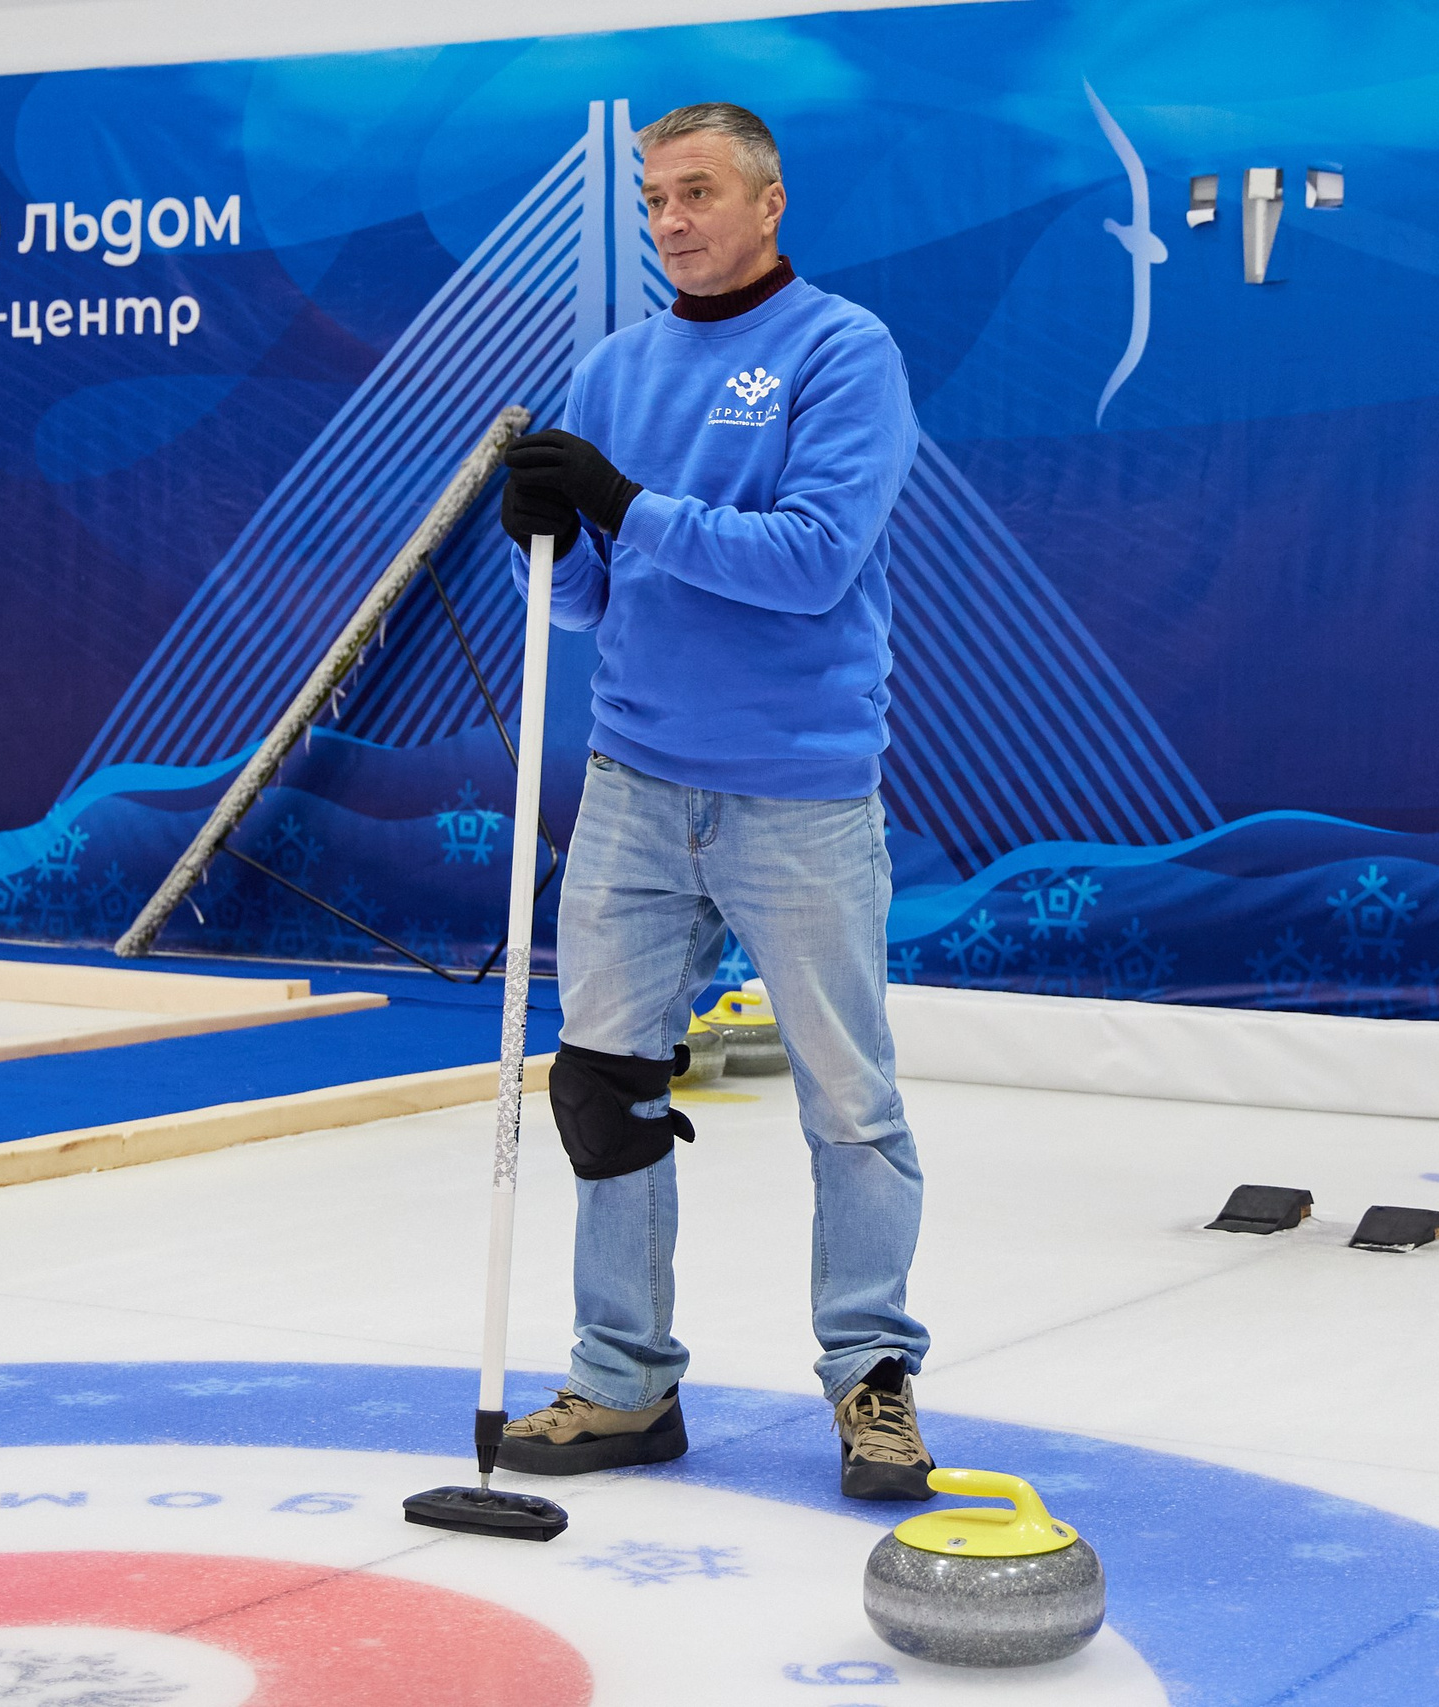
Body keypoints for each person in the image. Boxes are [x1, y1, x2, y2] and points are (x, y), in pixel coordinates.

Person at [492, 102, 932, 1500]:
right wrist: (546, 542)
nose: (671, 220)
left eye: (697, 192)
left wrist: (623, 503)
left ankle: (871, 1376)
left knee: (848, 1101)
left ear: (768, 201)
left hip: (798, 791)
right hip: (634, 781)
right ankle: (624, 1384)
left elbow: (811, 561)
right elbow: (591, 599)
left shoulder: (842, 352)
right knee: (603, 1084)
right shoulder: (614, 369)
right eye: (654, 200)